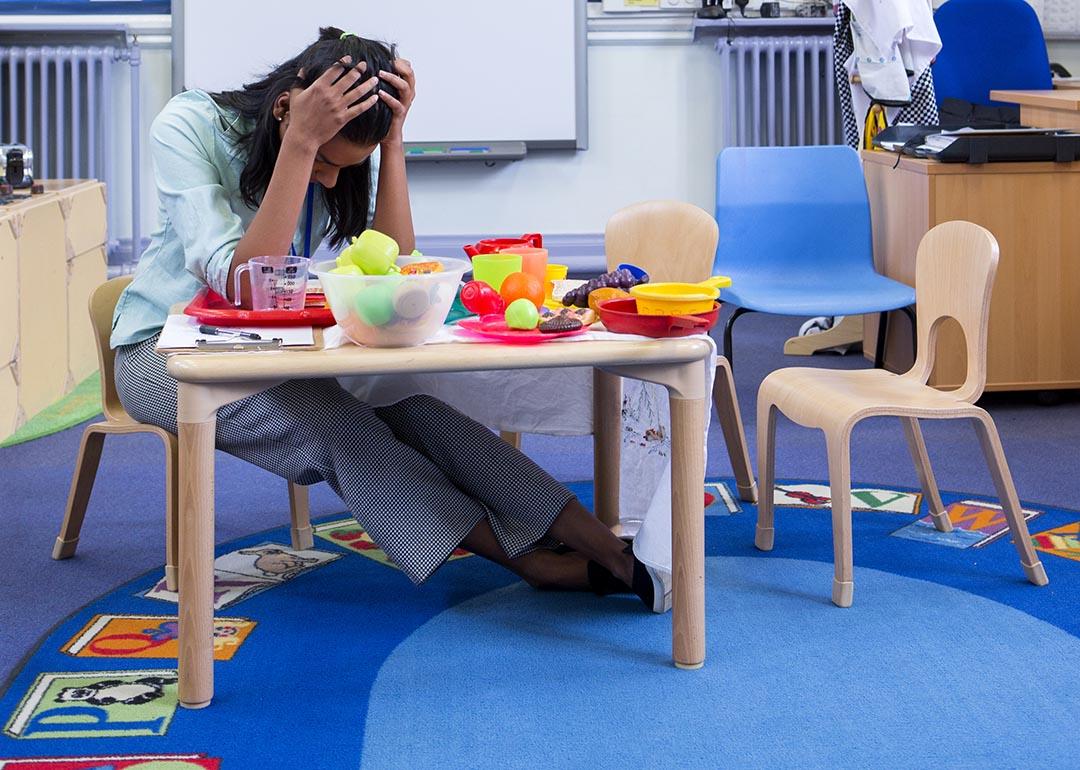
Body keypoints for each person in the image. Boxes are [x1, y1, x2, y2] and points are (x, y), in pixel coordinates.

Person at [110, 27, 671, 612]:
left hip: (282, 344)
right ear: (285, 109)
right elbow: (248, 282)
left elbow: (398, 266)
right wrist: (302, 146)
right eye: (326, 161)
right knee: (334, 423)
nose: (329, 180)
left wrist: (394, 143)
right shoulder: (189, 126)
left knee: (416, 408)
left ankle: (611, 551)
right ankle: (532, 562)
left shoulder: (344, 148)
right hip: (164, 354)